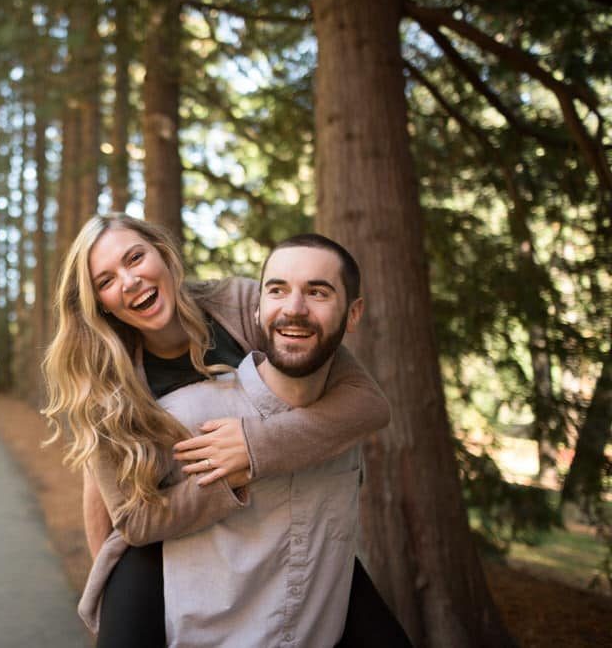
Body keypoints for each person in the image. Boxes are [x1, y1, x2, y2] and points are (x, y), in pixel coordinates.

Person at [42, 214, 401, 645]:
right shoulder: (103, 382)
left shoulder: (240, 304)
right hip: (164, 549)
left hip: (284, 525)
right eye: (106, 280)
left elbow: (366, 403)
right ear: (99, 301)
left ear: (164, 254)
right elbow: (127, 514)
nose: (131, 280)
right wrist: (224, 477)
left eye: (136, 258)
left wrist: (254, 447)